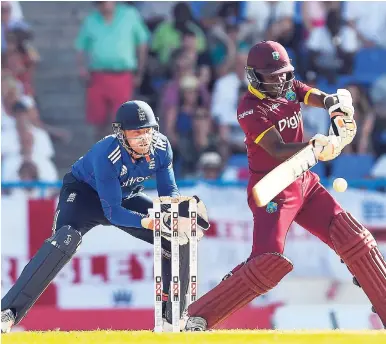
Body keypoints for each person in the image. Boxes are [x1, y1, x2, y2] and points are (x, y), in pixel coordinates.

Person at [183, 41, 386, 331]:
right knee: (267, 263)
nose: (280, 81)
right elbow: (277, 149)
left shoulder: (284, 85)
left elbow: (306, 92)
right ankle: (197, 317)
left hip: (304, 181)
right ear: (254, 77)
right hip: (274, 189)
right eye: (272, 75)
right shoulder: (250, 109)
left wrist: (331, 103)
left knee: (355, 239)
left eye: (284, 74)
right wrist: (316, 147)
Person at [1, 100, 209, 333]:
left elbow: (168, 192)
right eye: (136, 132)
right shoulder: (107, 154)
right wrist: (151, 222)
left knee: (176, 237)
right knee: (64, 241)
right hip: (84, 196)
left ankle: (174, 319)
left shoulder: (161, 148)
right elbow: (113, 212)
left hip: (125, 195)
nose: (144, 138)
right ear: (121, 134)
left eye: (148, 131)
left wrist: (179, 212)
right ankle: (7, 312)